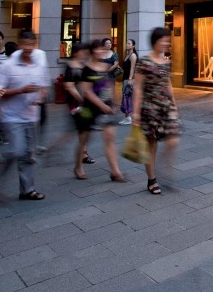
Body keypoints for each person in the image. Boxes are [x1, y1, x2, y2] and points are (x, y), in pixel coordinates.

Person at [0, 30, 48, 201]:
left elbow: (44, 85)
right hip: (11, 116)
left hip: (31, 115)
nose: (28, 48)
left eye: (31, 45)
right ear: (19, 44)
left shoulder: (39, 62)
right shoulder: (8, 65)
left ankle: (27, 189)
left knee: (29, 155)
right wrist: (20, 90)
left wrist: (40, 98)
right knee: (17, 150)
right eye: (25, 45)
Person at [132, 28, 181, 195]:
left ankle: (163, 169)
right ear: (155, 41)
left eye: (168, 40)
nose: (167, 43)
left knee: (173, 140)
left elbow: (168, 84)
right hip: (150, 109)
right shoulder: (144, 62)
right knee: (151, 146)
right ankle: (151, 179)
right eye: (164, 40)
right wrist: (136, 113)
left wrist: (174, 105)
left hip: (166, 108)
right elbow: (138, 88)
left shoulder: (166, 62)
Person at [73, 40, 127, 182]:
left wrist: (111, 103)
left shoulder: (105, 66)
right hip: (89, 109)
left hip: (106, 107)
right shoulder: (87, 69)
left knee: (110, 138)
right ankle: (78, 166)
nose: (100, 52)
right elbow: (87, 92)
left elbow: (108, 87)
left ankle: (115, 171)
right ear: (92, 51)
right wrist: (102, 105)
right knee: (84, 140)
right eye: (97, 49)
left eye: (101, 49)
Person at [119, 39, 138, 125]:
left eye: (129, 43)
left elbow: (132, 68)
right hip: (125, 78)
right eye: (126, 43)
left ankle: (129, 118)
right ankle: (127, 117)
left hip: (129, 80)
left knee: (128, 97)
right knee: (126, 97)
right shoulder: (127, 55)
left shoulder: (133, 55)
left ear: (133, 46)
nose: (126, 44)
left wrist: (130, 79)